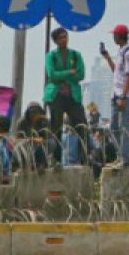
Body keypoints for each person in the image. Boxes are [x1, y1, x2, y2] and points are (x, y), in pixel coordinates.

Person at [44, 27, 87, 166]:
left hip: (72, 95)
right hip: (56, 95)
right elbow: (52, 74)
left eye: (65, 36)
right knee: (55, 127)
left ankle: (84, 157)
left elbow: (81, 74)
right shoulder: (51, 56)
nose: (64, 40)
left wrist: (63, 77)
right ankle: (55, 159)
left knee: (82, 124)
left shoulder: (76, 55)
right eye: (61, 37)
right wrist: (70, 72)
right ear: (55, 41)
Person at [101, 23, 129, 166]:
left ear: (119, 36)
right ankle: (121, 156)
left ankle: (126, 160)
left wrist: (123, 96)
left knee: (124, 128)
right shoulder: (121, 52)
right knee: (114, 128)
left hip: (125, 96)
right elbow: (117, 72)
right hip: (116, 95)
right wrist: (107, 57)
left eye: (114, 35)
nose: (113, 37)